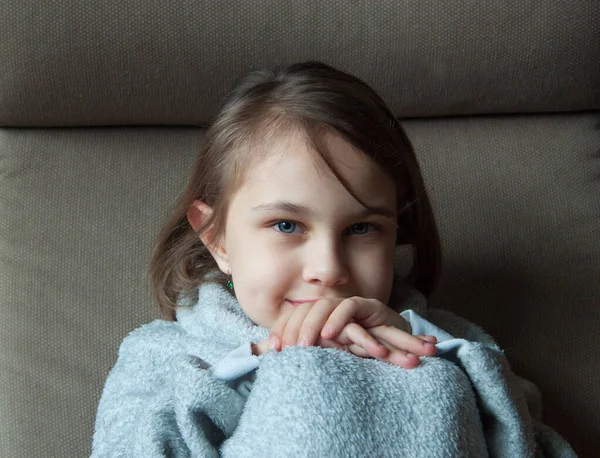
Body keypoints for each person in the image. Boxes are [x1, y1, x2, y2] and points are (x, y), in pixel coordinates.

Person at [92, 62, 576, 457]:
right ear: (217, 238)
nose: (329, 269)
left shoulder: (452, 344)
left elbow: (532, 442)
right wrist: (260, 369)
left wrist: (424, 358)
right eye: (286, 225)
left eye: (361, 229)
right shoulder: (168, 359)